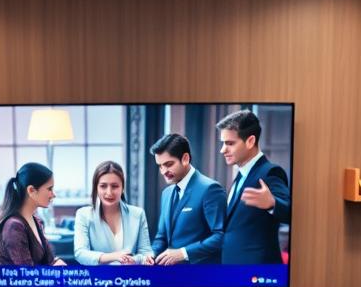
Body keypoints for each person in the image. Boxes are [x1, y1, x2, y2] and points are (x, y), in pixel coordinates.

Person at [216, 110, 291, 265]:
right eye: (222, 143)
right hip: (233, 271)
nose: (222, 150)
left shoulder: (270, 172)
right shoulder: (241, 175)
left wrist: (272, 204)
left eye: (230, 143)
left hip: (257, 274)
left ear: (250, 141)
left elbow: (290, 211)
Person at [147, 133, 225, 265]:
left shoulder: (210, 190)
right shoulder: (166, 193)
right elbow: (161, 237)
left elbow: (221, 236)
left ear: (185, 158)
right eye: (160, 166)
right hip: (172, 279)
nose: (163, 171)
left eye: (168, 164)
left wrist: (183, 253)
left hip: (202, 278)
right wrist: (150, 254)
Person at [73, 161, 154, 265]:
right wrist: (115, 256)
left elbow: (146, 252)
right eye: (103, 186)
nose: (109, 192)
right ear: (96, 188)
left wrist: (135, 260)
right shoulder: (83, 215)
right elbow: (80, 253)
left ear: (122, 188)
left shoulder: (138, 214)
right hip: (99, 279)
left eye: (115, 186)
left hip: (131, 278)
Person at [0, 162, 66, 266]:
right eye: (49, 189)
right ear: (31, 190)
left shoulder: (35, 221)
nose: (53, 194)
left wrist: (55, 262)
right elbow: (27, 276)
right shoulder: (14, 226)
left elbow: (47, 260)